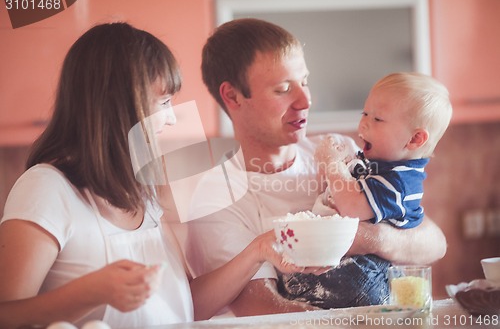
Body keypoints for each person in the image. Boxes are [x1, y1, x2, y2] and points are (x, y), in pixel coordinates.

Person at [0, 22, 321, 329]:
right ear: (118, 105)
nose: (170, 118)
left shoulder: (142, 195)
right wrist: (90, 292)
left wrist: (257, 251)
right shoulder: (46, 188)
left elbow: (187, 306)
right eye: (164, 102)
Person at [184, 18, 447, 314]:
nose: (306, 100)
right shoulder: (215, 198)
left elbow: (433, 243)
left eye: (305, 82)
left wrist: (364, 238)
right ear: (232, 96)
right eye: (283, 89)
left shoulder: (339, 150)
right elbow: (259, 304)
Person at [313, 72, 453, 228]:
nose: (363, 123)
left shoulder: (399, 183)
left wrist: (332, 163)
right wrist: (339, 166)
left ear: (414, 139)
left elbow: (351, 208)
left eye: (377, 119)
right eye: (364, 113)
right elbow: (331, 191)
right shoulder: (375, 165)